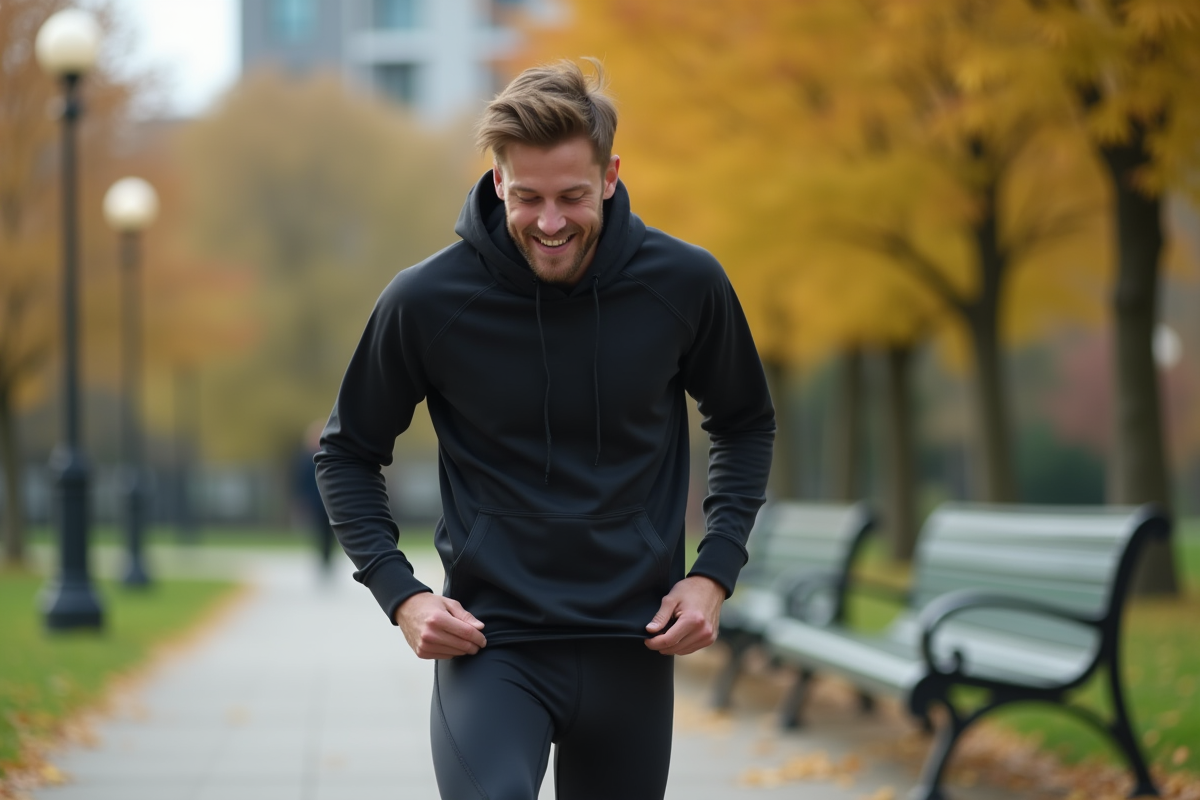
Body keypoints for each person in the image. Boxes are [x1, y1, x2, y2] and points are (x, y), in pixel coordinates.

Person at [315, 59, 774, 800]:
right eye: (527, 197)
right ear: (498, 181)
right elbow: (348, 453)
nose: (551, 223)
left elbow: (745, 422)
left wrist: (713, 573)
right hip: (494, 645)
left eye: (572, 197)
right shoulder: (428, 301)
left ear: (611, 175)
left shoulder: (684, 285)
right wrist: (402, 596)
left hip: (633, 643)